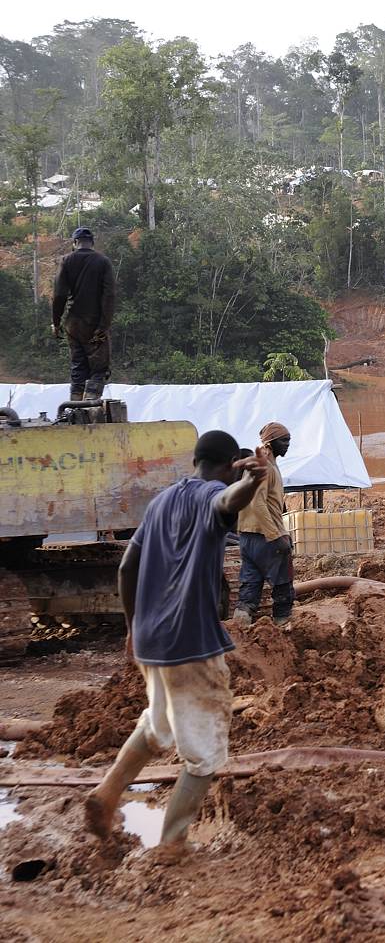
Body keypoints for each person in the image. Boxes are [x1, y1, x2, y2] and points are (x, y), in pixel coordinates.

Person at [84, 431, 267, 857]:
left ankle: (108, 792)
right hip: (192, 642)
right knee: (203, 753)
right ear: (227, 466)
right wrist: (253, 483)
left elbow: (127, 566)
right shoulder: (212, 497)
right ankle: (172, 843)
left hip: (151, 640)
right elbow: (226, 502)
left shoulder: (161, 501)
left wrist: (132, 627)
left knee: (158, 723)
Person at [236, 422, 294, 629]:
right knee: (282, 583)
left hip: (247, 537)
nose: (288, 444)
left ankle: (241, 630)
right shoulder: (265, 467)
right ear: (271, 442)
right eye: (284, 440)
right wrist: (276, 535)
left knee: (250, 585)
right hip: (266, 537)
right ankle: (283, 624)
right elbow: (257, 502)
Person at [50, 227, 116, 402]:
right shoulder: (103, 262)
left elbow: (59, 296)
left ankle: (74, 411)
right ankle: (88, 410)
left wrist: (56, 323)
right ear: (92, 243)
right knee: (99, 370)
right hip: (95, 325)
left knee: (78, 369)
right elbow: (109, 295)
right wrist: (103, 326)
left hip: (73, 325)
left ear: (74, 243)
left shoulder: (66, 261)